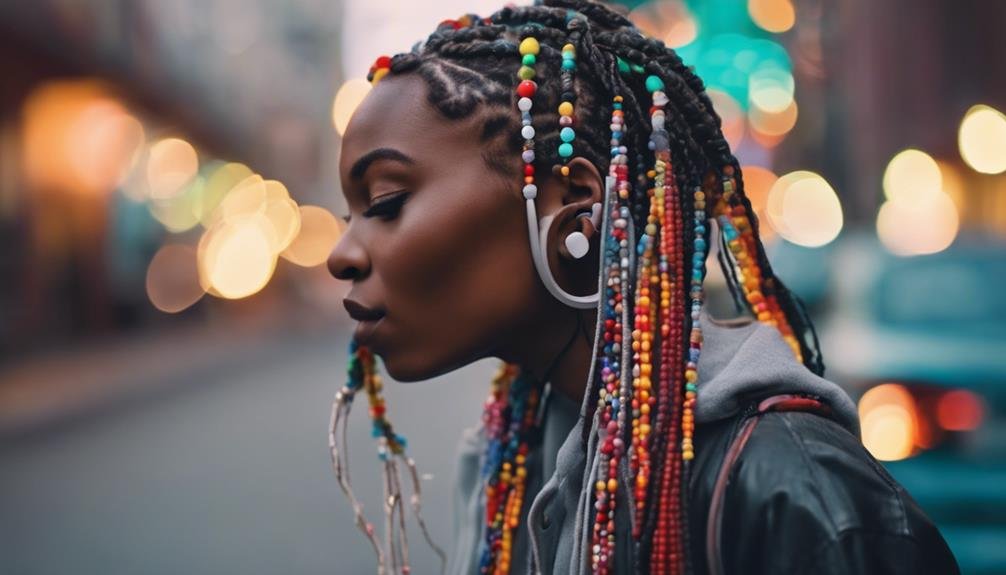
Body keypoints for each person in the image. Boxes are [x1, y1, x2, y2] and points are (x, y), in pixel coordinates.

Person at [325, 1, 960, 573]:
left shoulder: (804, 498)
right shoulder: (511, 461)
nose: (340, 255)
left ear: (573, 203)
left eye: (386, 201)